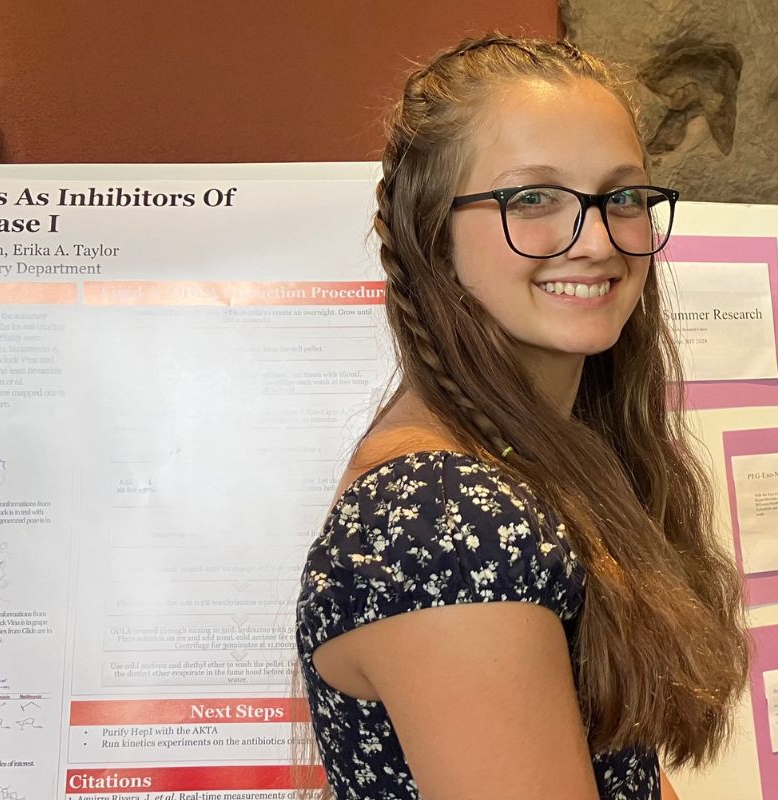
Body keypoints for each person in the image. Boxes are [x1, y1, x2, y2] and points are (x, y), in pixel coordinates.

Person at [293, 35, 750, 800]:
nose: (598, 239)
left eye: (623, 196)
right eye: (532, 198)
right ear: (430, 230)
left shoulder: (536, 459)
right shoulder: (444, 523)